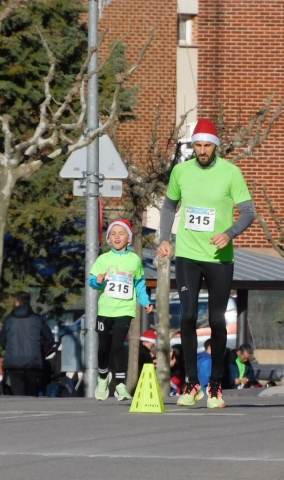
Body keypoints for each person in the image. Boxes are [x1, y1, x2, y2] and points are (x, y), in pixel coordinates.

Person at [157, 118, 255, 409]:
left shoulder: (231, 173)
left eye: (206, 145)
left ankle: (214, 385)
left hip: (219, 258)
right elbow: (169, 205)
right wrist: (165, 238)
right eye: (197, 145)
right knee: (187, 317)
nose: (201, 150)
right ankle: (191, 383)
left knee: (215, 320)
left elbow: (248, 213)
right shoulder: (181, 171)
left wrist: (229, 233)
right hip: (188, 254)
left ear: (215, 147)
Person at [89, 219, 153, 401]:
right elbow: (92, 282)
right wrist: (98, 281)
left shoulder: (134, 260)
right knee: (103, 348)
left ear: (129, 238)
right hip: (105, 311)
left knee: (118, 345)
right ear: (108, 238)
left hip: (125, 311)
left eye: (121, 233)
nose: (117, 237)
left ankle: (120, 385)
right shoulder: (103, 259)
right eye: (113, 234)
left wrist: (145, 301)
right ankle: (102, 377)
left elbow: (139, 283)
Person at [0, 291, 55, 397]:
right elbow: (49, 339)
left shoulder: (9, 320)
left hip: (14, 362)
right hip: (33, 362)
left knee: (17, 394)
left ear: (17, 303)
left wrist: (10, 349)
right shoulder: (37, 319)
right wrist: (41, 352)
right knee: (32, 392)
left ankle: (19, 412)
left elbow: (2, 340)